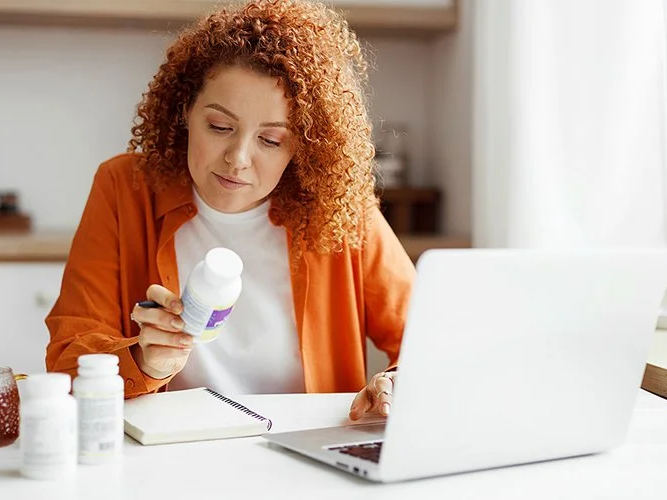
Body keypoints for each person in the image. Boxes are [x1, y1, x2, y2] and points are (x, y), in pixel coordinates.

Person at [45, 0, 415, 421]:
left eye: (271, 140)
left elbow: (434, 340)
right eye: (220, 127)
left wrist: (400, 382)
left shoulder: (338, 206)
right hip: (171, 456)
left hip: (305, 454)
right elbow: (68, 357)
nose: (238, 158)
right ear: (185, 110)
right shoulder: (124, 188)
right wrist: (144, 363)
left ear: (304, 146)